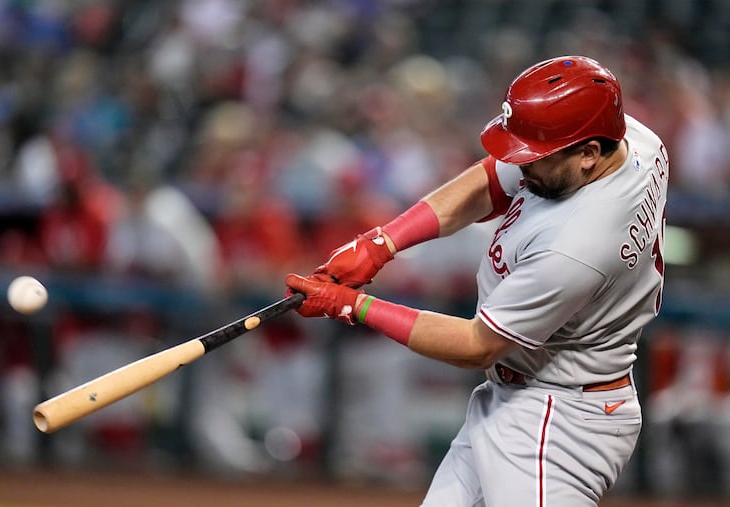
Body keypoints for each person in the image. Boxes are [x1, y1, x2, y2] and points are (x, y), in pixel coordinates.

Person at [284, 55, 669, 506]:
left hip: (558, 422)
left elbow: (476, 344)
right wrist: (381, 242)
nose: (520, 165)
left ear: (588, 154)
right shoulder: (633, 139)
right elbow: (490, 180)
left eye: (535, 156)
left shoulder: (578, 245)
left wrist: (354, 305)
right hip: (520, 394)